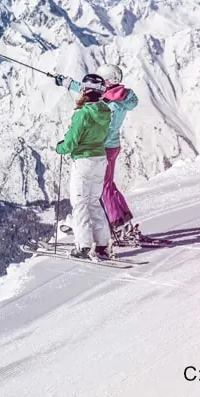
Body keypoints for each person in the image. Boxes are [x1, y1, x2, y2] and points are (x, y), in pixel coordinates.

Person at [55, 64, 142, 245]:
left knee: (103, 189)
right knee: (107, 185)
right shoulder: (120, 96)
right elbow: (92, 90)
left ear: (108, 82)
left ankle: (116, 226)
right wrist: (67, 83)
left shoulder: (110, 103)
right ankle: (122, 222)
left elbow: (92, 92)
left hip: (102, 148)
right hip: (112, 146)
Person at [53, 73, 114, 260]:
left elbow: (71, 143)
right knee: (94, 202)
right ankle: (103, 245)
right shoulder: (105, 111)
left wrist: (60, 147)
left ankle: (84, 246)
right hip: (100, 159)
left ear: (86, 90)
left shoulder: (82, 114)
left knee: (80, 204)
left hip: (84, 162)